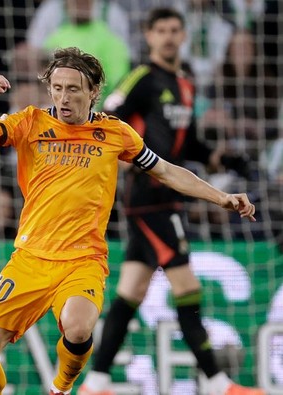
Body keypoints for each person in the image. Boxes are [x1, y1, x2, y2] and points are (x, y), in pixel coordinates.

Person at [0, 46, 256, 395]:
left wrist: (221, 197)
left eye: (73, 89)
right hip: (30, 259)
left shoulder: (116, 133)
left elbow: (167, 172)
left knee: (78, 328)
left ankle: (60, 389)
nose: (63, 97)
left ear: (93, 92)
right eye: (57, 88)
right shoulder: (30, 122)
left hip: (83, 260)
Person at [79, 8, 263, 395]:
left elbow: (188, 142)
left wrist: (227, 160)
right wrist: (124, 160)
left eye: (174, 30)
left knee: (131, 290)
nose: (167, 37)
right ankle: (216, 382)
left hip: (168, 196)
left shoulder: (185, 82)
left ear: (183, 36)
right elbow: (108, 116)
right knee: (187, 286)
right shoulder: (142, 79)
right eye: (159, 30)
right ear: (148, 36)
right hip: (151, 196)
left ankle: (95, 382)